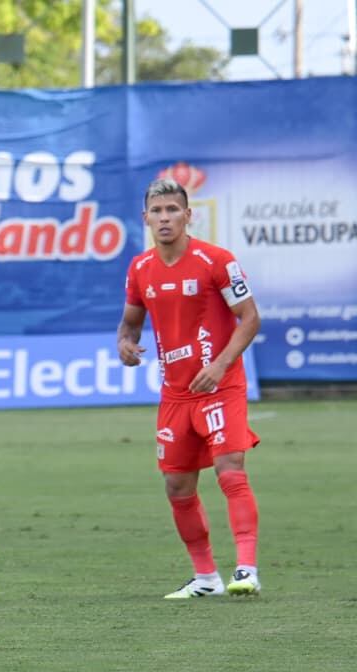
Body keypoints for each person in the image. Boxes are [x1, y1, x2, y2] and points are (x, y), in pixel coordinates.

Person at [117, 177, 263, 600]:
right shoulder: (140, 268)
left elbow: (250, 318)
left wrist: (219, 366)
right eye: (157, 211)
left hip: (220, 386)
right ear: (145, 218)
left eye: (172, 210)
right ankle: (206, 579)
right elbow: (130, 322)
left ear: (187, 215)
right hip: (176, 394)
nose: (165, 218)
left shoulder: (216, 261)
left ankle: (247, 570)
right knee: (177, 487)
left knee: (230, 469)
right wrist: (125, 344)